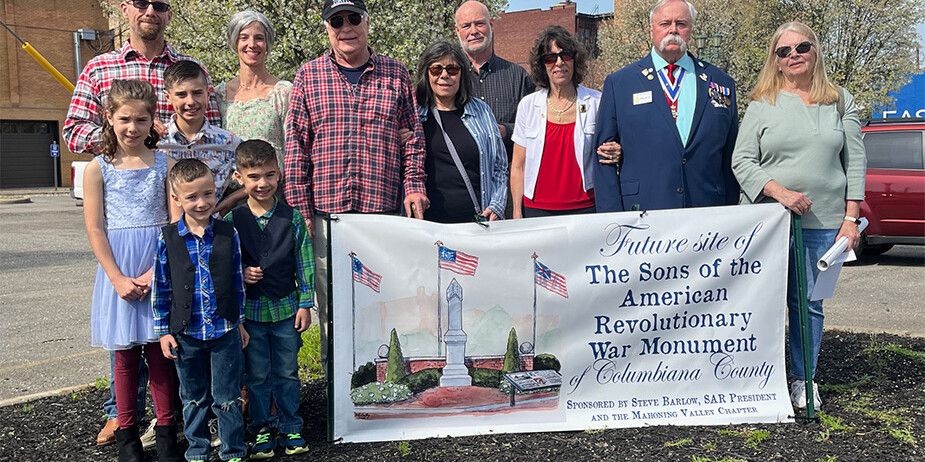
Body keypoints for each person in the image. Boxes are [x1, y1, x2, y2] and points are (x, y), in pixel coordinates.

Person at [62, 1, 220, 442]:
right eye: (142, 2)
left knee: (164, 342)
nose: (151, 9)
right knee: (125, 345)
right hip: (122, 235)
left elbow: (208, 127)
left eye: (161, 4)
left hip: (167, 216)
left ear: (169, 14)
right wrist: (120, 139)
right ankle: (122, 415)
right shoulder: (99, 67)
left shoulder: (187, 68)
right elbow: (73, 130)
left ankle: (170, 424)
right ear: (125, 9)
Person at [284, 0, 428, 366]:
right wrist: (301, 213)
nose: (345, 27)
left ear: (367, 22)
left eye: (353, 18)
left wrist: (413, 185)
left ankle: (381, 387)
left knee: (382, 306)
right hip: (327, 218)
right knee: (332, 311)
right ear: (328, 28)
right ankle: (339, 401)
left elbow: (413, 139)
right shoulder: (308, 75)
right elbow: (296, 148)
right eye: (336, 21)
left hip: (380, 217)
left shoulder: (396, 74)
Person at [731, 22, 866, 411]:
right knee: (760, 300)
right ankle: (753, 375)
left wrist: (851, 217)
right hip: (768, 223)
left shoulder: (840, 100)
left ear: (815, 50)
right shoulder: (762, 103)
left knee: (808, 304)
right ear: (775, 59)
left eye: (802, 47)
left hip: (824, 224)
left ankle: (803, 379)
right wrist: (781, 193)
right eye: (784, 50)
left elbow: (855, 159)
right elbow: (741, 160)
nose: (794, 55)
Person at [82, 79, 180, 462]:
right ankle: (127, 437)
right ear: (109, 117)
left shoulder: (164, 163)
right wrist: (117, 278)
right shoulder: (97, 168)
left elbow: (175, 224)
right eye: (125, 119)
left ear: (153, 120)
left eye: (142, 119)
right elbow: (95, 228)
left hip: (158, 264)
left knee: (160, 352)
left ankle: (168, 433)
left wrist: (159, 273)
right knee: (124, 358)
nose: (133, 128)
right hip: (118, 269)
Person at [593, 0, 739, 213]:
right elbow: (603, 156)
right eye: (665, 23)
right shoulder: (620, 83)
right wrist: (611, 219)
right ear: (652, 31)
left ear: (691, 30)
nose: (673, 30)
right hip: (642, 212)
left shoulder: (721, 82)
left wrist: (730, 213)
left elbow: (729, 153)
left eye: (681, 23)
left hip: (707, 211)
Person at [153, 158, 249, 462]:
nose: (201, 202)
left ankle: (233, 450)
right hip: (186, 333)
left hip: (225, 331)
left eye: (208, 194)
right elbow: (161, 286)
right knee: (193, 397)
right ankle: (198, 450)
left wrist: (240, 322)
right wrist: (163, 331)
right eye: (192, 196)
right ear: (177, 198)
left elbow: (237, 281)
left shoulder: (227, 233)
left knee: (228, 397)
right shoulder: (167, 238)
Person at [224, 140, 313, 457]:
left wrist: (305, 303)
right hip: (252, 315)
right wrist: (242, 273)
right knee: (257, 375)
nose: (262, 183)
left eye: (269, 175)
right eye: (254, 177)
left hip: (287, 310)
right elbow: (224, 267)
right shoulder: (232, 223)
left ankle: (291, 427)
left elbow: (305, 264)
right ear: (239, 178)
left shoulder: (293, 218)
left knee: (287, 372)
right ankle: (262, 428)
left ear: (279, 174)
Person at [510, 26, 601, 218]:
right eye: (550, 58)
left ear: (575, 60)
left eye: (565, 55)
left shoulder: (596, 103)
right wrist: (517, 212)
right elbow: (518, 165)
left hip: (586, 208)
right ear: (542, 65)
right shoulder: (528, 105)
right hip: (536, 210)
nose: (559, 63)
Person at [454, 0, 534, 218]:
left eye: (479, 24)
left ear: (491, 25)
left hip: (509, 189)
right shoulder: (449, 76)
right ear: (457, 31)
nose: (473, 31)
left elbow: (535, 126)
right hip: (462, 189)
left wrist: (504, 131)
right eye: (466, 26)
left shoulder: (517, 76)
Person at [415, 40, 507, 223]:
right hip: (427, 227)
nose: (444, 75)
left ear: (462, 74)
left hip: (477, 223)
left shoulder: (481, 111)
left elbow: (500, 166)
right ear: (426, 73)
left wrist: (497, 204)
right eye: (436, 69)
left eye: (452, 70)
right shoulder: (414, 113)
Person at [157, 61, 245, 218]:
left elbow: (257, 174)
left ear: (208, 93)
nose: (190, 101)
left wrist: (230, 200)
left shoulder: (227, 142)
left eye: (197, 93)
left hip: (215, 232)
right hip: (168, 233)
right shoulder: (158, 143)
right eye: (181, 95)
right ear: (168, 97)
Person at [215, 11, 292, 172]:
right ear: (235, 42)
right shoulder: (219, 95)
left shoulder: (283, 93)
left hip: (272, 190)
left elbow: (292, 148)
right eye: (244, 37)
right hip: (229, 191)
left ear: (267, 43)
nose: (252, 44)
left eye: (259, 38)